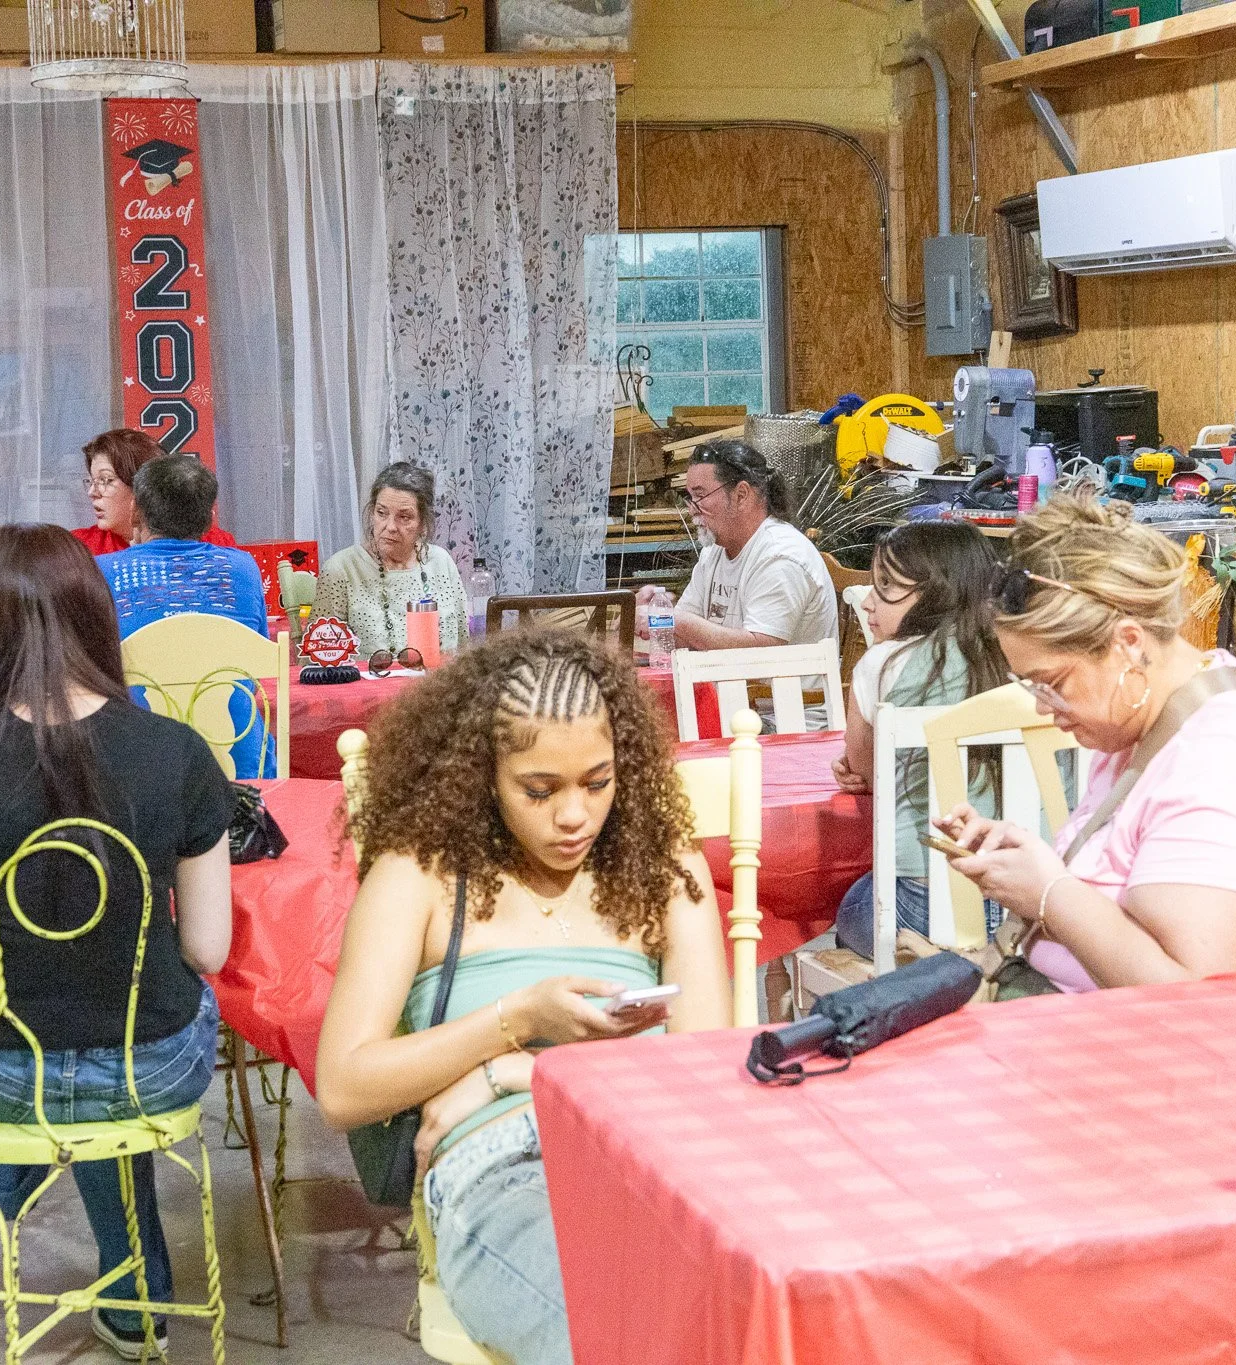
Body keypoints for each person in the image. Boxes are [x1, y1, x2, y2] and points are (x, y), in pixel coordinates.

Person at [0, 524, 233, 1362]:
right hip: (154, 1065)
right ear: (95, 613)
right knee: (129, 1041)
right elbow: (208, 948)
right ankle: (136, 1301)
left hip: (5, 1070)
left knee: (63, 1065)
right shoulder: (179, 751)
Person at [316, 630, 730, 1365]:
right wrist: (517, 1017)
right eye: (539, 790)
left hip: (661, 1152)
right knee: (618, 1331)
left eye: (598, 782)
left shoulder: (665, 867)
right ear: (483, 774)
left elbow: (705, 1075)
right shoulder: (421, 873)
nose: (573, 815)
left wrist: (521, 1070)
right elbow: (345, 1086)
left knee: (763, 1309)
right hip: (503, 1167)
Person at [939, 497, 1236, 993]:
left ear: (1128, 643)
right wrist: (1028, 871)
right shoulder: (1160, 714)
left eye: (1052, 682)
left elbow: (1199, 995)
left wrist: (1048, 894)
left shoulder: (1229, 761)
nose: (1044, 707)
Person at [829, 522, 1007, 959]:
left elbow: (867, 771)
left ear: (936, 592)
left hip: (922, 905)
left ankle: (923, 969)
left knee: (849, 907)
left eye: (886, 585)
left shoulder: (882, 664)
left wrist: (861, 772)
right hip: (1029, 906)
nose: (868, 600)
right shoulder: (1018, 654)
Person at [97, 454, 274, 779]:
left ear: (135, 510)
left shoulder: (101, 572)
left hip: (140, 766)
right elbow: (257, 665)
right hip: (242, 764)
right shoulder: (243, 569)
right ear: (209, 517)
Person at [638, 439, 837, 653]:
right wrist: (654, 615)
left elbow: (762, 650)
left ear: (741, 495)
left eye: (701, 495)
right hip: (727, 683)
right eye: (690, 497)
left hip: (771, 687)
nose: (692, 509)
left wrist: (674, 620)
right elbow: (687, 637)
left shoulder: (781, 555)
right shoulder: (713, 552)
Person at [312, 461, 466, 656]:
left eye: (404, 517)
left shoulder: (441, 562)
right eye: (382, 513)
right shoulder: (341, 569)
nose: (390, 526)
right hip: (365, 686)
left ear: (422, 523)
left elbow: (463, 647)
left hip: (438, 684)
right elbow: (317, 659)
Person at [72, 427, 237, 557]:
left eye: (105, 480)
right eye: (91, 482)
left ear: (144, 486)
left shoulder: (215, 543)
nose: (92, 492)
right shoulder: (77, 549)